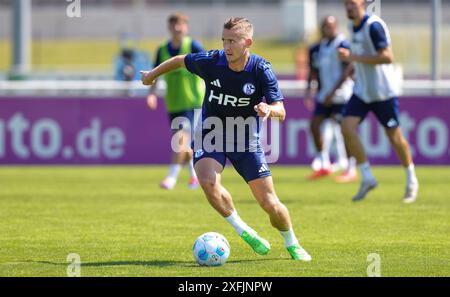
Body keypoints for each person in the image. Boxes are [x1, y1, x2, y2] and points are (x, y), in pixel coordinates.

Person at [141, 17, 311, 261]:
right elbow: (180, 60)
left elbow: (281, 111)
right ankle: (245, 231)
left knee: (270, 203)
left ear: (248, 42)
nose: (227, 46)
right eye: (224, 40)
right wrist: (152, 75)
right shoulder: (212, 61)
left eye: (233, 41)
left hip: (245, 140)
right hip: (211, 134)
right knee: (209, 183)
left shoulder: (261, 69)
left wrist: (268, 109)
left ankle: (291, 242)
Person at [338, 0, 419, 203]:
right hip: (363, 91)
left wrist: (353, 57)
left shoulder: (374, 25)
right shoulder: (351, 25)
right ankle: (367, 176)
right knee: (347, 127)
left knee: (395, 137)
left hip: (383, 92)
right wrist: (351, 67)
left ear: (363, 4)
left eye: (352, 3)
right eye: (346, 3)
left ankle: (411, 180)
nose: (349, 7)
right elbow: (360, 58)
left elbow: (387, 57)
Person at [146, 13, 205, 190]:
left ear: (186, 27)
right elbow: (154, 73)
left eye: (181, 25)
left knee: (180, 139)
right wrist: (151, 94)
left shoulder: (193, 46)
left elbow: (209, 68)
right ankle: (195, 176)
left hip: (194, 102)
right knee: (183, 143)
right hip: (174, 103)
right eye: (174, 25)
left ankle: (171, 178)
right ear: (169, 28)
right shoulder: (162, 49)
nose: (177, 28)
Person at [304, 15, 357, 182]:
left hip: (341, 96)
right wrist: (309, 90)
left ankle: (351, 167)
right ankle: (324, 162)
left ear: (336, 27)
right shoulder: (316, 49)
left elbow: (348, 70)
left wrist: (332, 93)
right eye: (326, 26)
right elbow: (312, 70)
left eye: (331, 26)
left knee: (346, 131)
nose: (328, 29)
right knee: (314, 126)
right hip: (323, 95)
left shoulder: (343, 45)